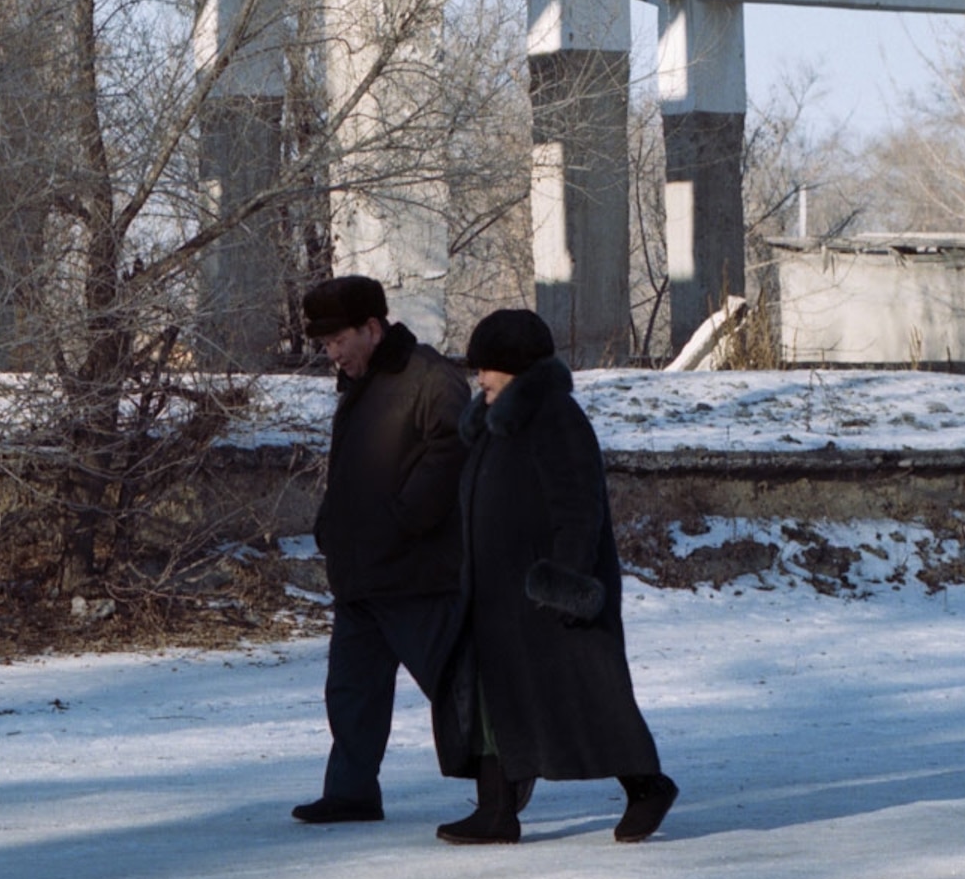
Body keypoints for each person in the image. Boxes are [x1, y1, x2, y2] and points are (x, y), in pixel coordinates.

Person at [431, 307, 678, 848]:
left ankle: (647, 785)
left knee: (587, 700)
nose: (479, 379)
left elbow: (578, 506)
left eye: (488, 369)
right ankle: (496, 812)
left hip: (545, 598)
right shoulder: (497, 423)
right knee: (491, 704)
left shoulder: (555, 418)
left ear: (517, 369)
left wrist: (564, 581)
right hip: (496, 598)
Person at [289, 274, 471, 825]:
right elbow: (351, 472)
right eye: (325, 345)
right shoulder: (363, 382)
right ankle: (351, 792)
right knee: (350, 693)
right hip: (361, 574)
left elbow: (452, 452)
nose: (333, 355)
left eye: (337, 341)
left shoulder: (430, 378)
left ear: (371, 328)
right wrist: (331, 527)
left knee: (456, 684)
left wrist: (403, 520)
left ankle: (502, 779)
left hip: (416, 575)